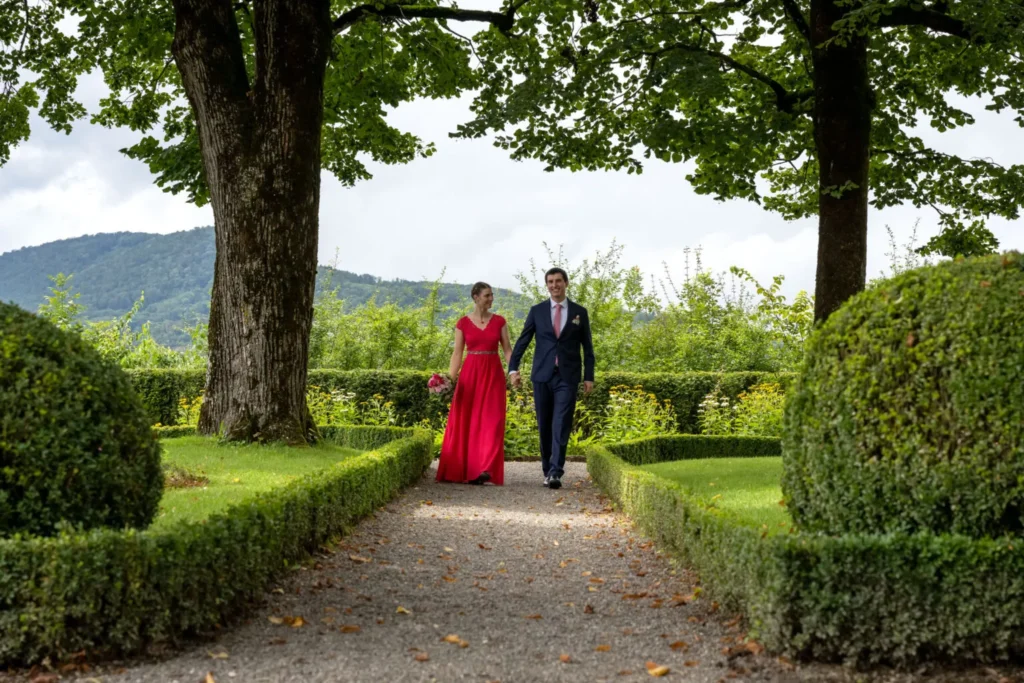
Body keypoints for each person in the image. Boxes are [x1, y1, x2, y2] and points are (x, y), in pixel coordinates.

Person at [508, 267, 595, 490]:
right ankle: (547, 470)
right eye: (550, 282)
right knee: (545, 424)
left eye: (558, 281)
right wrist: (513, 368)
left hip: (567, 376)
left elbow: (587, 347)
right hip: (542, 376)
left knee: (561, 423)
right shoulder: (537, 311)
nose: (554, 285)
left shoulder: (579, 312)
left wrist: (588, 376)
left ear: (566, 283)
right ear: (546, 285)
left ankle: (556, 471)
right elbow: (523, 341)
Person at [436, 282, 513, 485]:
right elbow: (457, 353)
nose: (491, 299)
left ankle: (485, 468)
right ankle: (469, 469)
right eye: (487, 295)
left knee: (493, 422)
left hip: (493, 374)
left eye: (491, 295)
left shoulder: (500, 322)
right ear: (476, 297)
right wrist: (449, 381)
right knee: (467, 421)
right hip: (470, 375)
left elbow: (507, 350)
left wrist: (513, 371)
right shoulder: (462, 323)